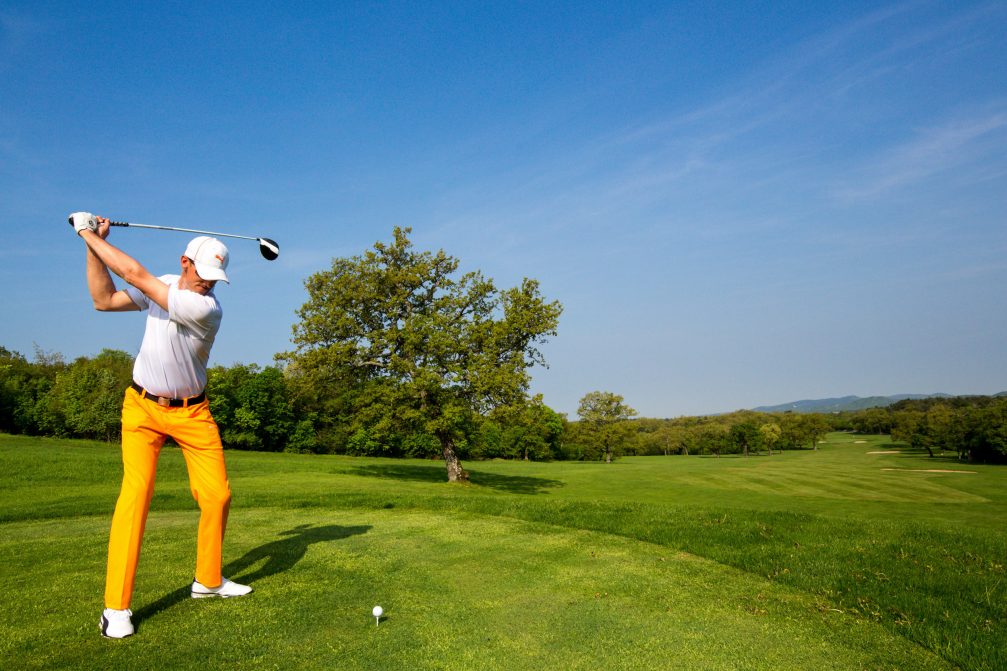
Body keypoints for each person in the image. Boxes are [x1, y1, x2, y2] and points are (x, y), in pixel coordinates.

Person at [69, 212, 252, 640]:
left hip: (193, 413)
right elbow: (104, 299)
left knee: (217, 495)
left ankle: (208, 581)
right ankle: (116, 608)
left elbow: (133, 271)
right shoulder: (167, 282)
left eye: (216, 277)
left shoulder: (205, 307)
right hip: (142, 409)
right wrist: (91, 244)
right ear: (185, 262)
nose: (209, 282)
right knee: (136, 497)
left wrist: (83, 230)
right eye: (204, 272)